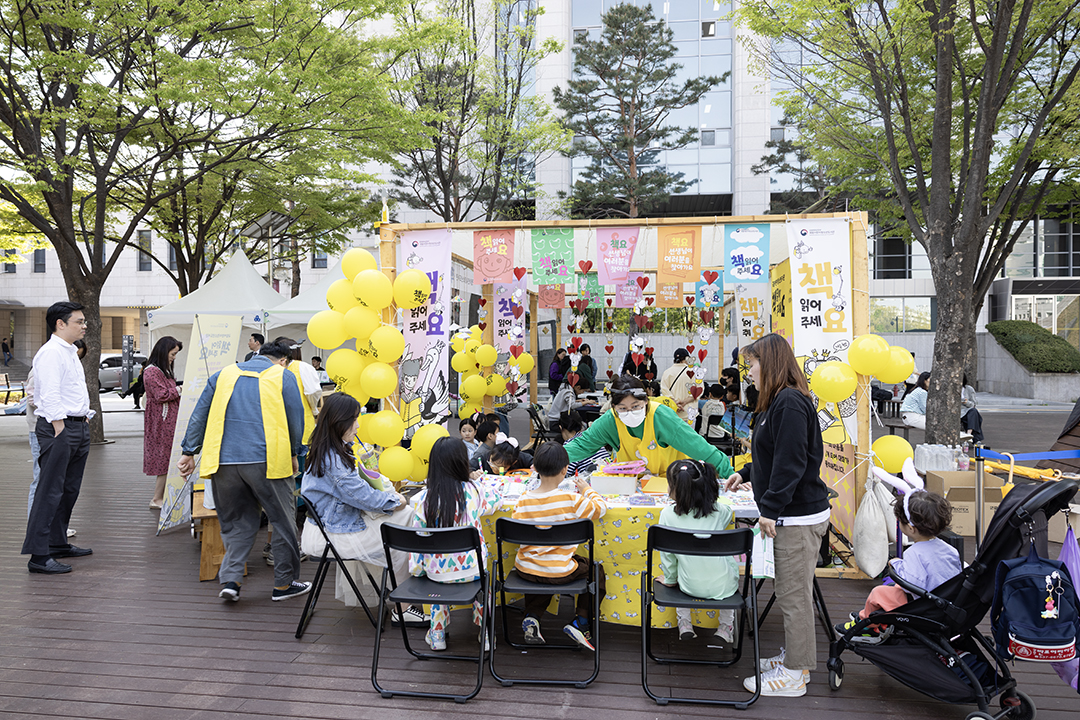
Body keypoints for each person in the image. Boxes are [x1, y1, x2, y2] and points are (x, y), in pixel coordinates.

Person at [724, 333, 830, 698]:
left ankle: (796, 674)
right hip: (792, 514)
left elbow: (791, 463)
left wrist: (769, 509)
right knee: (790, 593)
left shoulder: (788, 402)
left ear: (768, 363)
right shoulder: (778, 402)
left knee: (793, 596)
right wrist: (749, 472)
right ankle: (793, 658)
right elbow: (775, 454)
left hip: (797, 517)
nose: (749, 372)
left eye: (752, 364)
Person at [178, 339, 311, 603]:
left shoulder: (223, 374)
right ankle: (283, 585)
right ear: (284, 360)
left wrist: (188, 451)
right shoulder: (283, 376)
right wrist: (296, 452)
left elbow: (200, 413)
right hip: (268, 460)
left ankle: (231, 580)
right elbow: (295, 419)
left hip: (223, 461)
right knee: (283, 522)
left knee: (236, 523)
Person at [299, 393, 421, 616]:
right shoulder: (333, 458)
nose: (358, 425)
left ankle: (400, 595)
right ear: (340, 422)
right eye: (354, 419)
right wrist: (397, 500)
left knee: (403, 523)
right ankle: (403, 605)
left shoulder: (328, 449)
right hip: (334, 533)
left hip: (329, 526)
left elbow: (356, 492)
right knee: (405, 526)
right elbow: (365, 498)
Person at [411, 437, 503, 651]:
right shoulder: (473, 491)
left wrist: (418, 571)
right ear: (463, 462)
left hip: (437, 574)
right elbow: (496, 500)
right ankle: (486, 633)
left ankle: (437, 634)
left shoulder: (425, 499)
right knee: (484, 584)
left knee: (438, 587)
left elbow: (418, 539)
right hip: (473, 570)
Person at [512, 442, 607, 650]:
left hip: (525, 569)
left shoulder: (523, 501)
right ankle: (581, 622)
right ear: (565, 469)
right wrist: (587, 489)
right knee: (595, 569)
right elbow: (600, 510)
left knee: (542, 564)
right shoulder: (572, 499)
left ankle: (532, 616)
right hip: (557, 571)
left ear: (534, 468)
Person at [23, 301, 94, 574]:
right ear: (60, 324)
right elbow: (49, 393)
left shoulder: (69, 352)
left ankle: (57, 542)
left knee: (68, 489)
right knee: (50, 491)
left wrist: (84, 417)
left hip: (77, 425)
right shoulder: (51, 352)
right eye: (79, 321)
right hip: (59, 428)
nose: (84, 325)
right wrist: (60, 426)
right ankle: (39, 556)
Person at [836, 489, 961, 636]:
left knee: (879, 593)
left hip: (925, 608)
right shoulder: (950, 550)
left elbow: (910, 584)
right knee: (892, 588)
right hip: (946, 602)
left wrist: (897, 564)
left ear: (910, 528)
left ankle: (868, 623)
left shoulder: (914, 553)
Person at [564, 374, 735, 478]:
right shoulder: (611, 420)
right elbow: (582, 444)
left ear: (646, 401)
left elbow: (699, 447)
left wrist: (731, 476)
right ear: (613, 407)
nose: (629, 412)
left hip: (670, 484)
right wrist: (551, 459)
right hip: (630, 488)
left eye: (636, 407)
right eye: (622, 408)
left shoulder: (661, 417)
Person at [658, 459, 738, 642]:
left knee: (679, 572)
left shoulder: (667, 515)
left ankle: (684, 623)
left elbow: (668, 557)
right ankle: (726, 627)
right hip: (724, 586)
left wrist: (670, 579)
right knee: (727, 574)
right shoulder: (719, 511)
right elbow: (726, 512)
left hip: (688, 586)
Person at [144, 336, 183, 509]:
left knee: (168, 458)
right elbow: (162, 395)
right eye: (172, 354)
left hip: (167, 420)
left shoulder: (160, 370)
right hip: (162, 421)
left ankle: (162, 496)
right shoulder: (152, 371)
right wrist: (180, 389)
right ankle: (157, 498)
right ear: (163, 351)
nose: (174, 357)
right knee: (164, 459)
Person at [558, 410, 612, 476]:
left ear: (560, 427)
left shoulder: (569, 446)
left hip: (591, 479)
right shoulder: (591, 437)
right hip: (610, 473)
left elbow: (564, 473)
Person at [660, 348, 694, 422]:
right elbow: (698, 391)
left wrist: (675, 403)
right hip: (689, 414)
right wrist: (685, 401)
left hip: (672, 414)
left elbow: (664, 390)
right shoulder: (693, 372)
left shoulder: (667, 372)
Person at [961, 374, 984, 443]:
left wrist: (966, 402)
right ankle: (976, 438)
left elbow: (973, 404)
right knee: (977, 417)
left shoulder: (969, 389)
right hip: (957, 412)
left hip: (967, 411)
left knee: (974, 412)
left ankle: (969, 434)